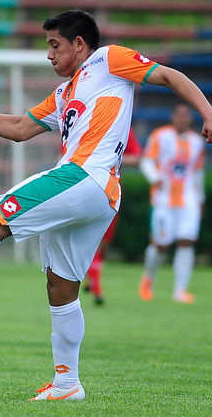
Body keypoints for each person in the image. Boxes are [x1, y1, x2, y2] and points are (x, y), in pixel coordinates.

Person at [0, 10, 212, 401]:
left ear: (78, 43)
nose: (49, 56)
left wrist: (208, 113)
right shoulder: (65, 93)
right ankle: (67, 384)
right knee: (61, 288)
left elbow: (169, 75)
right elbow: (21, 129)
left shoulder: (107, 60)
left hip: (84, 175)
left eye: (54, 46)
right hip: (102, 193)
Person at [138, 104, 205, 304]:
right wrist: (154, 177)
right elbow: (146, 160)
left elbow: (198, 172)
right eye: (179, 115)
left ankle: (180, 290)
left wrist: (201, 199)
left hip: (188, 199)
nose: (183, 119)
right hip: (163, 198)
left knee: (186, 241)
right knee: (160, 245)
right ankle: (149, 277)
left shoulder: (196, 142)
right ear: (173, 116)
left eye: (186, 116)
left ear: (190, 119)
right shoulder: (160, 136)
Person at [84, 127, 141, 305]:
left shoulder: (121, 124)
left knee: (103, 245)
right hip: (84, 190)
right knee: (91, 240)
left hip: (111, 192)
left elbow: (136, 158)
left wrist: (111, 156)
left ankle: (90, 277)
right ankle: (96, 289)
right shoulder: (85, 121)